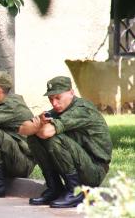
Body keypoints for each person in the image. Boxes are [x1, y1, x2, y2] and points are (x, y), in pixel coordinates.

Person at [20, 76, 112, 208]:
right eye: (51, 99)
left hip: (94, 170)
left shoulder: (82, 109)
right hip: (79, 163)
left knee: (52, 138)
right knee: (34, 138)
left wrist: (36, 126)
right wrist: (37, 126)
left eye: (58, 97)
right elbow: (23, 129)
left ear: (71, 93)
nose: (54, 103)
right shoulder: (58, 111)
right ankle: (54, 187)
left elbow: (46, 132)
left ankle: (76, 191)